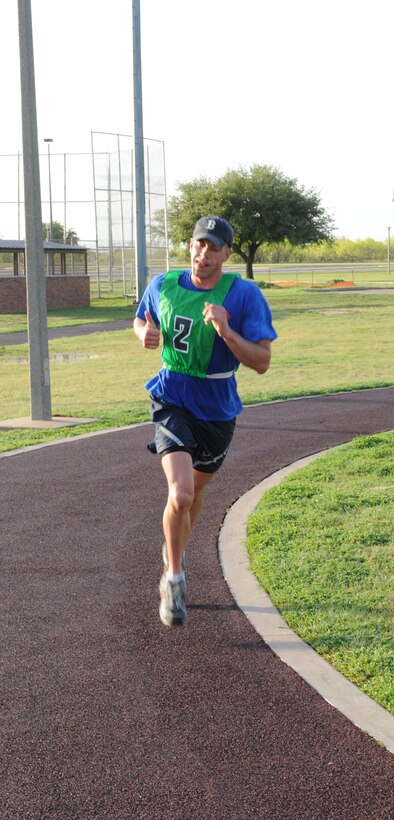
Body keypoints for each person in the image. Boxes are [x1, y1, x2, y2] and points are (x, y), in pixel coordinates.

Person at [134, 216, 277, 627]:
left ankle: (173, 549)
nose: (205, 254)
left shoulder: (245, 295)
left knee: (195, 491)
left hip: (217, 407)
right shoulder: (162, 285)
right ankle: (174, 577)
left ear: (227, 254)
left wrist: (227, 331)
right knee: (179, 495)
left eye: (214, 247)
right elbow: (143, 318)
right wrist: (142, 331)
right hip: (171, 396)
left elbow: (263, 363)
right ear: (190, 246)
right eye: (200, 244)